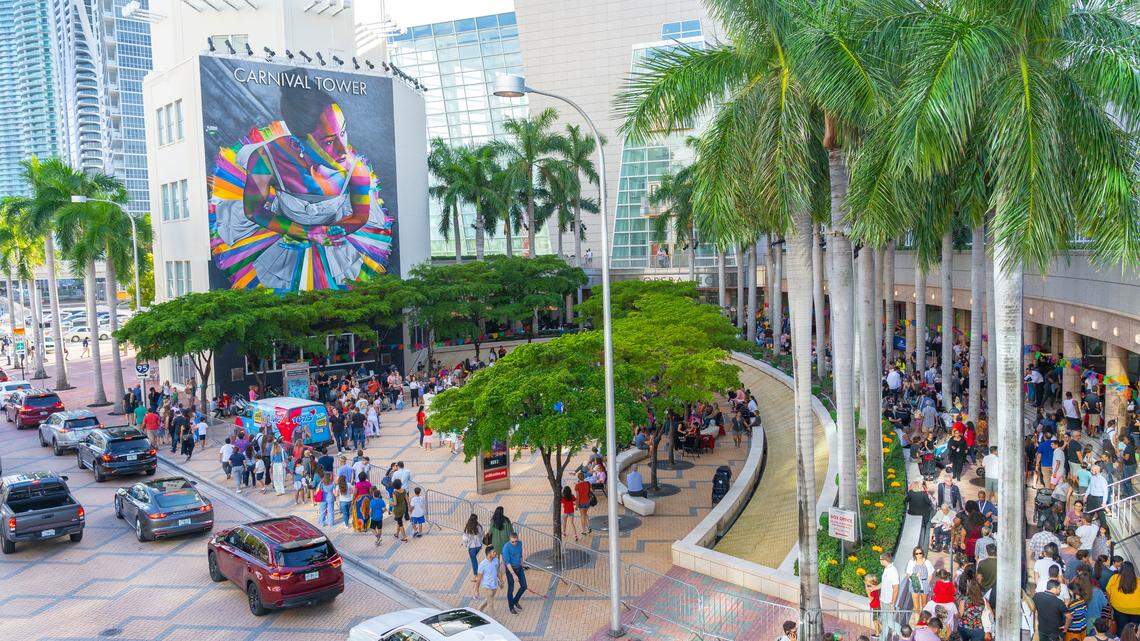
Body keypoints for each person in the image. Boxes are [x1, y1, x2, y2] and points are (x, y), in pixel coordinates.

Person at [1108, 561, 1140, 630]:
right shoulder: (1138, 581)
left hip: (1119, 608)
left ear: (1121, 569)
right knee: (1134, 630)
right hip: (1137, 610)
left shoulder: (1114, 578)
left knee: (1121, 629)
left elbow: (1108, 591)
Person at [502, 531, 526, 615]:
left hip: (519, 568)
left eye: (516, 541)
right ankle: (511, 607)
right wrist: (513, 574)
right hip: (510, 570)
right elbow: (507, 563)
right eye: (513, 541)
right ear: (509, 540)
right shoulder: (506, 548)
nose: (515, 543)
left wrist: (522, 564)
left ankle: (515, 601)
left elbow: (520, 555)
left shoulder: (520, 543)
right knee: (511, 588)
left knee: (524, 586)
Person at [879, 551, 901, 639]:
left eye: (880, 559)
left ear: (884, 560)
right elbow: (883, 583)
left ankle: (905, 634)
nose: (880, 561)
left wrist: (892, 603)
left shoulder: (893, 571)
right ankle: (882, 638)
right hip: (883, 600)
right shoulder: (886, 569)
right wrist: (874, 588)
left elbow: (896, 588)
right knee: (885, 622)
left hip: (888, 602)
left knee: (890, 622)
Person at [906, 546, 934, 614]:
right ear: (914, 554)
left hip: (924, 584)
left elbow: (930, 575)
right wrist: (915, 576)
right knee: (916, 607)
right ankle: (917, 622)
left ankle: (923, 622)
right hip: (915, 584)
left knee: (924, 605)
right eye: (916, 553)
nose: (918, 555)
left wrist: (926, 583)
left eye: (920, 553)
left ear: (922, 553)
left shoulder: (927, 562)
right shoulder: (911, 562)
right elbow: (908, 574)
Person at [476, 546, 503, 615]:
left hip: (494, 585)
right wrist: (477, 590)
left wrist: (501, 581)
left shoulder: (496, 560)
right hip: (486, 586)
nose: (495, 553)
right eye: (493, 552)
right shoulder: (482, 565)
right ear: (489, 553)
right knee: (490, 604)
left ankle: (478, 611)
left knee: (488, 599)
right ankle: (494, 619)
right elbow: (478, 578)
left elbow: (498, 571)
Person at [462, 514, 485, 583]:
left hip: (471, 547)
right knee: (474, 560)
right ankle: (478, 573)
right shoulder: (479, 527)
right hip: (478, 546)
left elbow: (465, 538)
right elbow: (481, 535)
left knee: (474, 561)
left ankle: (476, 576)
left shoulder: (468, 528)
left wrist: (465, 544)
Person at [575, 471, 594, 536]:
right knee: (585, 514)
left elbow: (578, 496)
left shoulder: (577, 485)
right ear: (584, 477)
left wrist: (576, 505)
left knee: (582, 516)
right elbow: (591, 490)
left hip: (581, 503)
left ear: (578, 478)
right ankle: (589, 527)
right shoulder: (588, 483)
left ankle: (584, 531)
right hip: (587, 501)